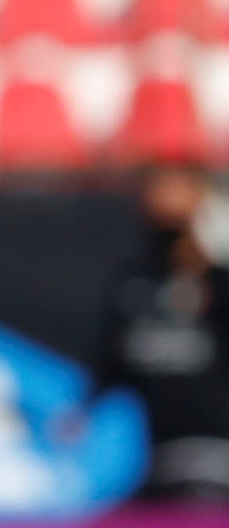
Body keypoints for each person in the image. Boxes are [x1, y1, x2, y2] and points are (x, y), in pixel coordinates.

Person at [106, 162, 229, 505]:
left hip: (214, 451)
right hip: (157, 455)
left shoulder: (218, 283)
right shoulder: (134, 283)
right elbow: (111, 354)